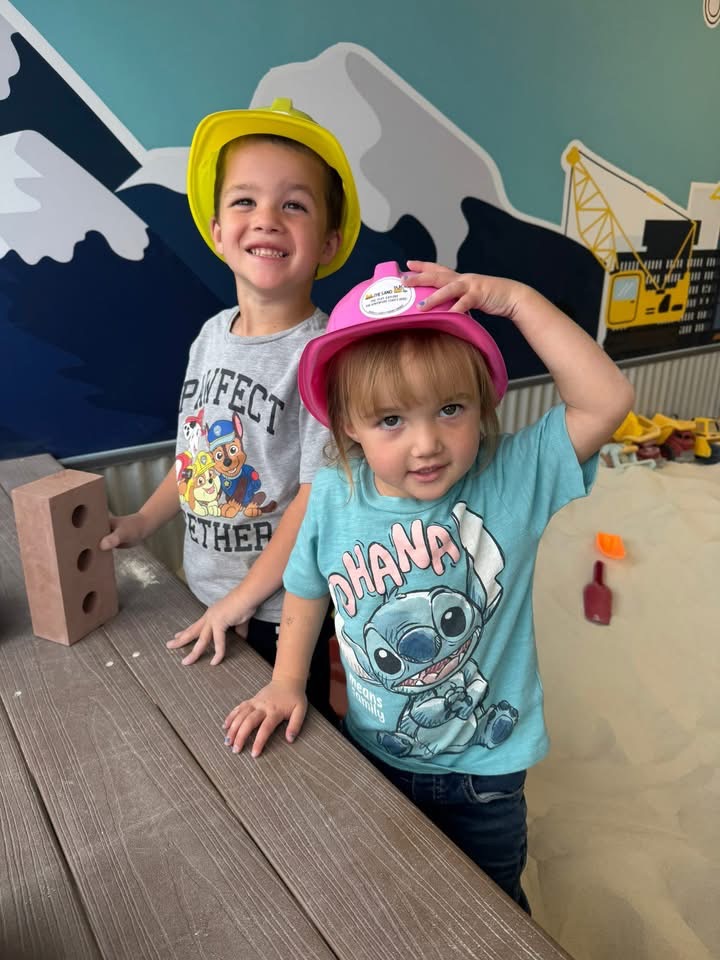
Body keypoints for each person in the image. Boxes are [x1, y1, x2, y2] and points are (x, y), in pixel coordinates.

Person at [222, 258, 634, 912]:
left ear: (482, 405)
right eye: (391, 420)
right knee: (398, 905)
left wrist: (519, 296)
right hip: (376, 756)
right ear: (345, 424)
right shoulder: (333, 491)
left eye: (450, 410)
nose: (426, 444)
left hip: (488, 776)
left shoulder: (511, 478)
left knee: (492, 911)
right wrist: (285, 682)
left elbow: (606, 400)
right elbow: (307, 588)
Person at [100, 99, 360, 716]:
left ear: (327, 242)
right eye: (245, 201)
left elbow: (312, 500)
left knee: (293, 736)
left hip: (281, 612)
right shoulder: (210, 336)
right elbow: (193, 459)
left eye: (293, 204)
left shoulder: (325, 356)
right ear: (218, 231)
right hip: (207, 590)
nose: (266, 218)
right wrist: (140, 521)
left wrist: (245, 599)